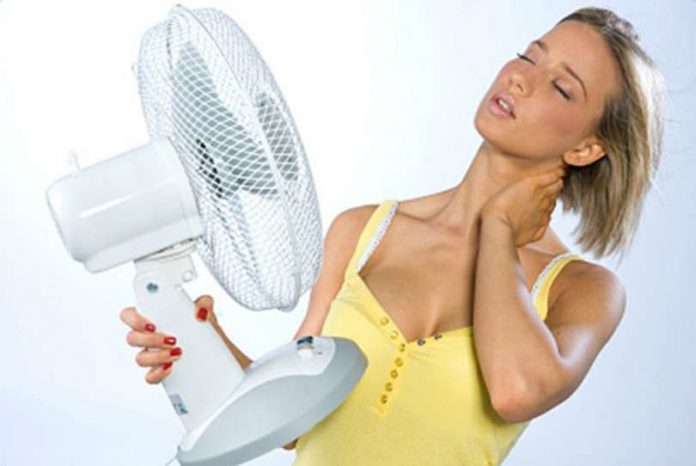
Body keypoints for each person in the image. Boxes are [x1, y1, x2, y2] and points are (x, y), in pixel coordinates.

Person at [119, 6, 666, 465]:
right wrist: (203, 341)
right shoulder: (362, 232)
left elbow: (515, 391)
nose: (521, 78)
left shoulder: (582, 290)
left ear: (586, 148)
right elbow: (292, 421)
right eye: (528, 55)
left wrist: (499, 229)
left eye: (562, 87)